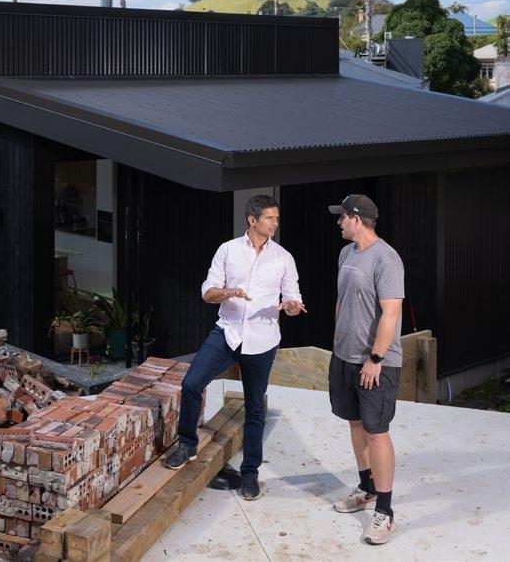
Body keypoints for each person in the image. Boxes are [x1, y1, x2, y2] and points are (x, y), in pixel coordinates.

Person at [163, 194, 306, 500]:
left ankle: (250, 474)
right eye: (270, 218)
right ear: (253, 220)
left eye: (277, 218)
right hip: (227, 333)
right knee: (191, 384)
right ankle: (187, 445)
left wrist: (293, 306)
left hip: (263, 341)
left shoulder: (283, 258)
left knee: (254, 408)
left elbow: (293, 297)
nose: (275, 223)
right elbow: (208, 292)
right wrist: (230, 292)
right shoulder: (227, 250)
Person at [327, 194, 404, 545]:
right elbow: (342, 301)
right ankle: (367, 487)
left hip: (375, 362)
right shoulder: (346, 254)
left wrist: (375, 358)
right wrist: (337, 343)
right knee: (355, 422)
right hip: (344, 356)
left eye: (342, 217)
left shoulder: (386, 258)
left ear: (356, 219)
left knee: (376, 431)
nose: (339, 222)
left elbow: (391, 312)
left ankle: (384, 511)